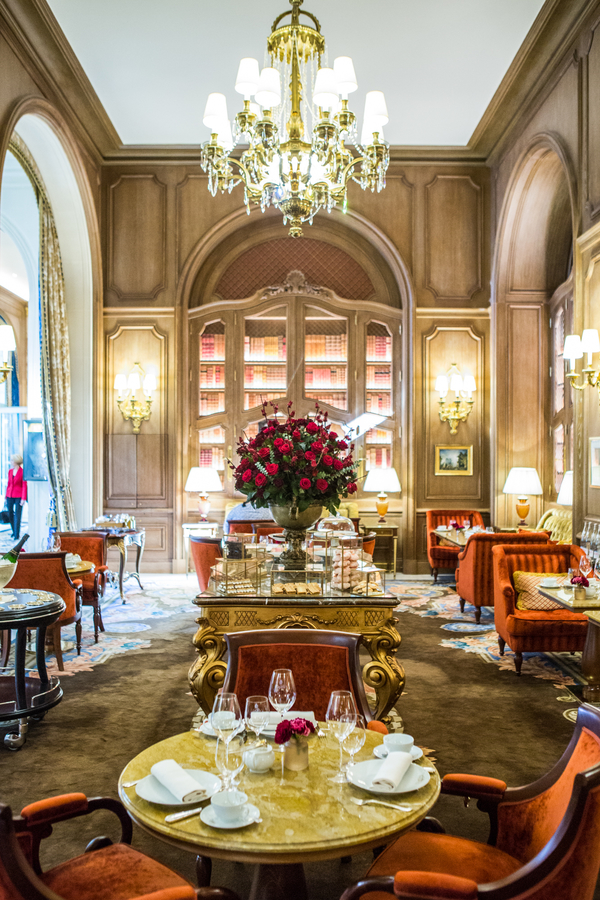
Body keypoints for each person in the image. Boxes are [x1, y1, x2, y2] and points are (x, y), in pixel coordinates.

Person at [6, 453, 26, 541]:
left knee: (18, 515)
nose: (11, 462)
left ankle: (16, 534)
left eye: (12, 460)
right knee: (10, 513)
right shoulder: (10, 471)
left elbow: (24, 485)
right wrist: (5, 497)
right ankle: (14, 530)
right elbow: (9, 484)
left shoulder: (22, 472)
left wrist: (23, 498)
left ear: (16, 462)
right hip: (9, 495)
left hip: (19, 495)